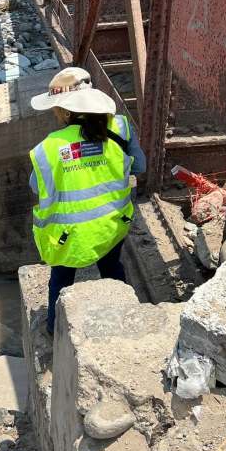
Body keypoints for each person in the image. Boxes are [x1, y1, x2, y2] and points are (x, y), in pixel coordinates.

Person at [28, 67, 147, 335]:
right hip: (113, 224)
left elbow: (36, 186)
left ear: (66, 112)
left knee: (61, 278)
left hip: (68, 236)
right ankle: (128, 315)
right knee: (112, 267)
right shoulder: (120, 126)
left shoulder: (50, 146)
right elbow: (139, 166)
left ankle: (54, 327)